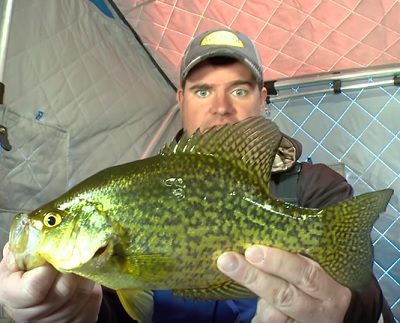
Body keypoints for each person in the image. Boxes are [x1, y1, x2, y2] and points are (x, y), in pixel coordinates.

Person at [0, 27, 394, 323]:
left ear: (263, 97)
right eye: (202, 91)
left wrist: (345, 309)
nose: (221, 107)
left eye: (239, 90)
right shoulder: (131, 188)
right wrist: (71, 313)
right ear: (180, 99)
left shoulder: (315, 187)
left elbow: (368, 294)